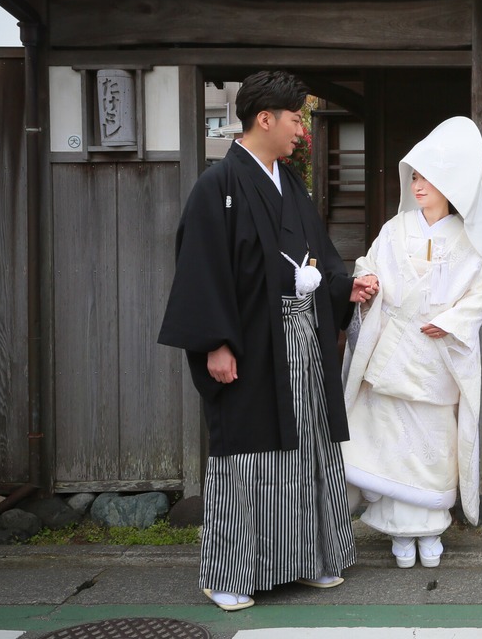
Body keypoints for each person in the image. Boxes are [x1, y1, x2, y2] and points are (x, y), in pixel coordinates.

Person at [158, 70, 378, 611]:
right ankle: (230, 573)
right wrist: (215, 342)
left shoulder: (290, 183)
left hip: (303, 334)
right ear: (265, 118)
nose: (302, 128)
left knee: (308, 446)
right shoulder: (219, 185)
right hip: (252, 339)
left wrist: (346, 286)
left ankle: (307, 560)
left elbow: (318, 255)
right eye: (296, 117)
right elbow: (202, 268)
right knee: (249, 454)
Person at [341, 116, 482, 569]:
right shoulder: (396, 228)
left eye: (428, 176)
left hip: (433, 359)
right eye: (416, 175)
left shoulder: (465, 241)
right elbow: (367, 263)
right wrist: (367, 281)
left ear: (450, 185)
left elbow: (481, 291)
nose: (418, 183)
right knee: (390, 447)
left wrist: (449, 321)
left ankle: (430, 532)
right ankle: (398, 538)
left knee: (429, 446)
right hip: (393, 351)